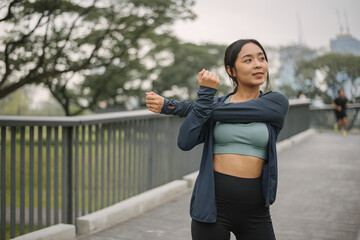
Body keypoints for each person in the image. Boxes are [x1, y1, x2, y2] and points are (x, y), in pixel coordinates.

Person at [145, 39, 289, 240]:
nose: (258, 64)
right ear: (231, 70)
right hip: (212, 208)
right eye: (248, 60)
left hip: (256, 212)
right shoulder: (212, 105)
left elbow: (234, 113)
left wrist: (172, 106)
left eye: (262, 58)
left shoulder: (275, 103)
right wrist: (205, 95)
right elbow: (185, 142)